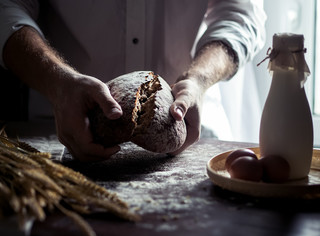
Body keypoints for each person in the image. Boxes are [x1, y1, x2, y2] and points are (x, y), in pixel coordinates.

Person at [0, 0, 266, 162]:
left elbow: (240, 14)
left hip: (187, 125)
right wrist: (58, 82)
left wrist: (199, 78)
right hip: (65, 130)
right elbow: (6, 7)